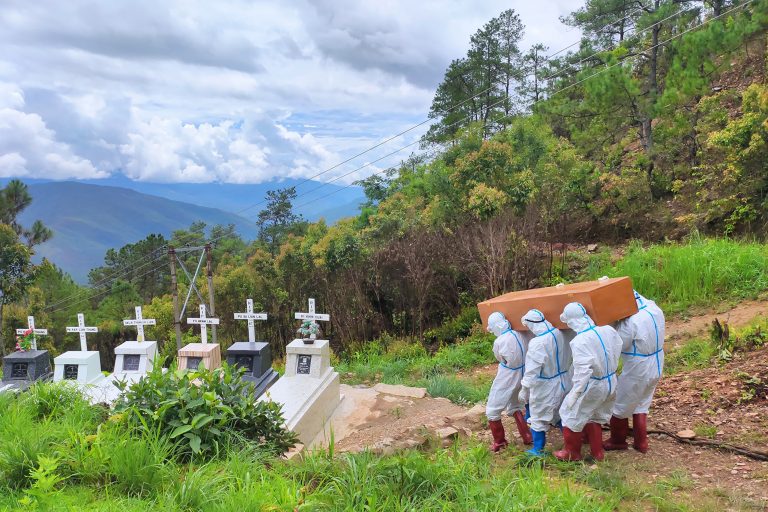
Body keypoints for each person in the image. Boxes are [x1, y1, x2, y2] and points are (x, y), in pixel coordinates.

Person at [554, 302, 622, 462]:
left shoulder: (580, 341)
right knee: (595, 415)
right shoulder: (607, 329)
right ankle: (597, 453)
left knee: (569, 414)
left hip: (593, 383)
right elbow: (618, 346)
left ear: (572, 321)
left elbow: (582, 371)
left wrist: (575, 393)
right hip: (611, 379)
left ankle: (571, 453)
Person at [604, 290, 665, 453]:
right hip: (657, 361)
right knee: (642, 404)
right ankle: (641, 442)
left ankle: (618, 440)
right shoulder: (653, 308)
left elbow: (618, 343)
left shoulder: (631, 322)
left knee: (619, 405)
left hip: (639, 367)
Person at [519, 309, 573, 456]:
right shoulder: (561, 333)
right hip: (564, 379)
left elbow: (532, 369)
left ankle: (538, 449)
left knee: (538, 416)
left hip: (546, 385)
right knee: (562, 413)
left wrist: (525, 388)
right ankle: (573, 445)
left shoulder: (537, 343)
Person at [485, 311, 532, 452]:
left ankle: (500, 442)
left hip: (508, 374)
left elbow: (500, 358)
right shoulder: (520, 334)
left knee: (492, 409)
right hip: (523, 372)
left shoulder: (499, 341)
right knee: (515, 405)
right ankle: (527, 436)